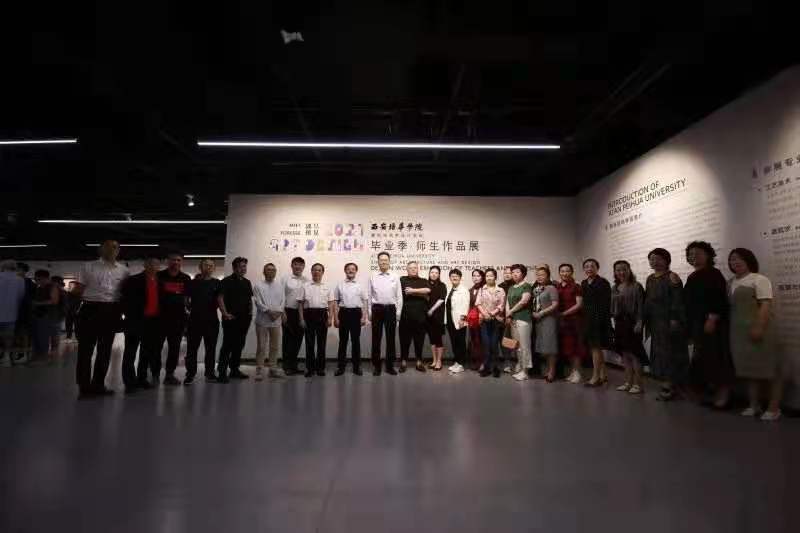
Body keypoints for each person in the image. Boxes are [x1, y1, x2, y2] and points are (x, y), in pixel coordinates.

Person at [728, 248, 783, 421]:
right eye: (732, 259)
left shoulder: (759, 279)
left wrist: (759, 327)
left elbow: (765, 305)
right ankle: (754, 405)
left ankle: (774, 408)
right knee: (749, 369)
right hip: (739, 332)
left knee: (770, 369)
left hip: (761, 330)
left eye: (739, 258)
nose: (735, 262)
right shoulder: (730, 282)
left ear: (749, 260)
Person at [75, 240, 130, 397]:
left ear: (118, 251)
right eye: (108, 246)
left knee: (105, 350)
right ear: (101, 249)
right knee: (85, 350)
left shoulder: (124, 271)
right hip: (90, 309)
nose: (112, 249)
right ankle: (84, 387)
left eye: (115, 247)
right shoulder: (88, 266)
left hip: (112, 310)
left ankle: (99, 385)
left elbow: (125, 293)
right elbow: (79, 290)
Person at [684, 241, 734, 409]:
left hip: (713, 324)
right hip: (698, 324)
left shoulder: (713, 273)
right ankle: (709, 394)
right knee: (703, 360)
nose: (694, 256)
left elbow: (718, 298)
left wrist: (712, 318)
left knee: (717, 359)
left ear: (708, 255)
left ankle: (723, 395)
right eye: (691, 254)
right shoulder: (693, 276)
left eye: (698, 253)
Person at [643, 248, 689, 401]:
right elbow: (648, 300)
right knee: (659, 353)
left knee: (671, 353)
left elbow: (678, 300)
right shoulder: (650, 278)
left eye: (658, 258)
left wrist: (674, 319)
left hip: (669, 321)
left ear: (666, 260)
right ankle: (666, 383)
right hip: (655, 322)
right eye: (651, 259)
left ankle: (672, 385)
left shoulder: (672, 277)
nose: (654, 261)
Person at [120, 255, 163, 392]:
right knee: (130, 352)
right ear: (145, 265)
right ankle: (129, 382)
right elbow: (124, 300)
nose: (153, 266)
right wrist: (128, 316)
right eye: (150, 264)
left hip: (153, 322)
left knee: (146, 352)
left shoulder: (160, 282)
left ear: (159, 267)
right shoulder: (133, 280)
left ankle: (142, 378)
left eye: (156, 264)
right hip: (135, 321)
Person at [610, 260, 648, 395]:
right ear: (615, 272)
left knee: (635, 354)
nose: (621, 272)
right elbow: (612, 308)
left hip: (633, 323)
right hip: (620, 323)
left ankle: (638, 384)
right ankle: (628, 382)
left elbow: (641, 307)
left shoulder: (637, 286)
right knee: (624, 354)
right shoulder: (615, 287)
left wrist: (640, 322)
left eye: (624, 269)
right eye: (618, 270)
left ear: (629, 270)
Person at [154, 252, 192, 385]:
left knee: (174, 348)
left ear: (181, 262)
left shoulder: (185, 278)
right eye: (173, 260)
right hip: (159, 318)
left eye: (178, 260)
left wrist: (187, 315)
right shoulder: (159, 276)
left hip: (178, 319)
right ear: (167, 261)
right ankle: (155, 373)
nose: (175, 262)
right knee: (156, 347)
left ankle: (169, 374)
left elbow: (188, 298)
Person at [217, 257, 254, 382]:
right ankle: (222, 372)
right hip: (230, 318)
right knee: (227, 345)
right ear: (234, 268)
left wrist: (250, 312)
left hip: (244, 319)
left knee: (239, 345)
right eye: (240, 266)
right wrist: (225, 313)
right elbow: (220, 298)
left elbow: (249, 299)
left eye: (244, 266)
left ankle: (234, 370)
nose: (243, 269)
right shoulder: (226, 281)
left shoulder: (247, 282)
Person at [185, 259, 221, 384]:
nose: (208, 267)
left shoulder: (217, 283)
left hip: (212, 321)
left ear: (214, 268)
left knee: (211, 349)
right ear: (200, 267)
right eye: (206, 265)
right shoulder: (192, 283)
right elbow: (186, 299)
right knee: (192, 349)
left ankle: (210, 373)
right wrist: (192, 308)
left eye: (211, 265)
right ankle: (190, 374)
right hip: (195, 320)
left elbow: (220, 300)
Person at [368, 252, 403, 376]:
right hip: (377, 309)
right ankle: (376, 366)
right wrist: (369, 312)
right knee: (376, 338)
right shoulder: (373, 276)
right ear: (378, 262)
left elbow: (399, 295)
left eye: (385, 260)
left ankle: (389, 366)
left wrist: (398, 312)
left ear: (389, 261)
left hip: (390, 309)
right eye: (381, 260)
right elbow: (369, 295)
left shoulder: (395, 276)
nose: (383, 262)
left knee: (391, 339)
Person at [298, 263, 334, 377]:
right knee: (309, 343)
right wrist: (301, 319)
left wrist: (330, 318)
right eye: (314, 270)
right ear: (311, 272)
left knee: (321, 343)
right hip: (308, 314)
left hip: (322, 314)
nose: (316, 272)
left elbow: (331, 303)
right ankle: (310, 369)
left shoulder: (327, 286)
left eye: (319, 270)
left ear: (322, 272)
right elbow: (300, 304)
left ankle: (320, 368)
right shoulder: (305, 286)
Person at [581, 259, 612, 387]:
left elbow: (606, 303)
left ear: (597, 268)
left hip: (599, 319)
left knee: (596, 348)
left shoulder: (603, 282)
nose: (589, 269)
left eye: (592, 266)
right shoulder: (584, 283)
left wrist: (601, 319)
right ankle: (603, 374)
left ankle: (595, 377)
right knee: (595, 348)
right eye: (586, 266)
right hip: (588, 318)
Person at [253, 263, 285, 380]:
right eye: (268, 270)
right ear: (264, 271)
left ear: (275, 272)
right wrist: (269, 312)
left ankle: (273, 369)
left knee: (274, 346)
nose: (271, 272)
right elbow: (257, 302)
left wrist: (278, 312)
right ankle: (259, 370)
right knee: (261, 346)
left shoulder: (280, 286)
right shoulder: (258, 285)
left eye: (273, 270)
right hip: (262, 321)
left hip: (276, 321)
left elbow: (283, 301)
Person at [333, 262, 367, 376]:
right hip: (343, 313)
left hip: (356, 314)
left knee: (355, 341)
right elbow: (336, 302)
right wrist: (336, 318)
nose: (351, 271)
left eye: (353, 269)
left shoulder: (360, 285)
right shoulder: (340, 285)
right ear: (345, 271)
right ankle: (340, 367)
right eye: (348, 269)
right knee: (343, 341)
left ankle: (356, 367)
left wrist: (364, 316)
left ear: (356, 271)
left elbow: (365, 301)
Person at [556, 264, 585, 383]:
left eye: (567, 271)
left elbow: (579, 304)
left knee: (576, 347)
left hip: (574, 320)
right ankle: (573, 371)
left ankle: (577, 372)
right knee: (567, 347)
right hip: (562, 321)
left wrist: (564, 313)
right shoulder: (557, 286)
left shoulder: (576, 286)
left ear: (572, 272)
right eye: (562, 271)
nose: (565, 273)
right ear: (559, 273)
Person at [399, 261, 431, 372]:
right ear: (407, 269)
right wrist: (420, 293)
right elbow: (404, 291)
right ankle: (403, 362)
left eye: (415, 268)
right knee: (404, 341)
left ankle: (419, 362)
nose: (413, 269)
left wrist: (413, 291)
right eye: (411, 268)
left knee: (419, 341)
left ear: (418, 269)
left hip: (420, 317)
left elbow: (427, 290)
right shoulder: (402, 279)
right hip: (405, 316)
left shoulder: (423, 280)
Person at [505, 264, 533, 381]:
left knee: (524, 346)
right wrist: (508, 314)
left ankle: (525, 371)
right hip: (513, 319)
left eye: (517, 272)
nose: (514, 274)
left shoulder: (527, 286)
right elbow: (507, 302)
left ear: (523, 273)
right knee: (517, 346)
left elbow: (524, 301)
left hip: (523, 319)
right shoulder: (511, 287)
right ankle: (521, 368)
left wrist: (511, 311)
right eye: (513, 272)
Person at [476, 268, 505, 377]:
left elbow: (501, 305)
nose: (489, 278)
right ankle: (487, 367)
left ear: (495, 277)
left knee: (494, 344)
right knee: (486, 344)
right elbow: (478, 304)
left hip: (496, 320)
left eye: (491, 276)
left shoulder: (500, 290)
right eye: (487, 276)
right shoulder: (481, 290)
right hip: (484, 321)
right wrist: (485, 314)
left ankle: (496, 368)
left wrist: (492, 314)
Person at [533, 265, 560, 382]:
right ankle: (547, 370)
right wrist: (534, 312)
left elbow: (555, 304)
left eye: (542, 275)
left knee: (550, 347)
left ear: (548, 276)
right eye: (538, 275)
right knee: (543, 347)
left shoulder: (551, 288)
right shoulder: (536, 289)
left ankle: (552, 372)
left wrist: (542, 312)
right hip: (538, 321)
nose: (540, 277)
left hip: (549, 319)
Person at [29, 270, 62, 365]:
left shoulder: (52, 287)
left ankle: (43, 358)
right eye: (36, 279)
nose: (37, 281)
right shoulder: (40, 288)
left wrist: (38, 303)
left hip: (48, 317)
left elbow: (54, 301)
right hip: (40, 316)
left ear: (45, 278)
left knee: (43, 338)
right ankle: (38, 356)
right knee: (38, 338)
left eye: (38, 279)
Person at [282, 257, 307, 375]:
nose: (298, 267)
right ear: (291, 266)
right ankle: (286, 366)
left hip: (302, 313)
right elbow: (280, 297)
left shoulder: (306, 280)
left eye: (300, 265)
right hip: (288, 311)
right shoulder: (285, 279)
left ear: (303, 267)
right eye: (296, 264)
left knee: (298, 339)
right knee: (287, 340)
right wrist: (283, 313)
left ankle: (294, 365)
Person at [0, 260, 25, 365]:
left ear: (2, 267)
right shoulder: (20, 279)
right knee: (9, 336)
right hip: (11, 313)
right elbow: (21, 296)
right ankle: (7, 357)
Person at [445, 269, 470, 374]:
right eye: (452, 276)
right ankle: (457, 361)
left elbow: (466, 305)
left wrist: (462, 318)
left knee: (460, 342)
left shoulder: (464, 290)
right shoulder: (450, 289)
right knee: (454, 342)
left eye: (456, 276)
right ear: (450, 278)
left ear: (460, 278)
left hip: (459, 320)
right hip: (450, 320)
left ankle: (461, 364)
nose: (454, 277)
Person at [426, 266, 447, 371]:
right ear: (429, 273)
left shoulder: (442, 285)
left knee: (438, 339)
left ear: (439, 274)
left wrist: (432, 310)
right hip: (428, 316)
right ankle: (434, 360)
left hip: (437, 315)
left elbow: (441, 299)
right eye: (432, 272)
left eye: (436, 273)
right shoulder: (426, 284)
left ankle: (439, 361)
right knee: (432, 339)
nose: (434, 274)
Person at [14, 262, 35, 363]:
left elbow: (30, 299)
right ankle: (18, 353)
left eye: (18, 269)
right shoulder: (14, 281)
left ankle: (24, 354)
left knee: (23, 333)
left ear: (24, 271)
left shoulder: (29, 283)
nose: (16, 272)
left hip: (24, 312)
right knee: (16, 334)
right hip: (14, 312)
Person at [497, 266, 516, 373]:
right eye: (505, 273)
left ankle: (517, 362)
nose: (507, 275)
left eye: (509, 273)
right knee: (504, 341)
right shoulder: (499, 286)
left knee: (513, 341)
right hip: (500, 318)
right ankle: (507, 362)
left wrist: (510, 316)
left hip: (513, 317)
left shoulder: (516, 286)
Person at [467, 269, 486, 370]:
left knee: (482, 341)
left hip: (482, 318)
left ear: (482, 277)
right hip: (472, 319)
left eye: (478, 276)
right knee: (474, 340)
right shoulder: (470, 290)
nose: (475, 278)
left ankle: (483, 362)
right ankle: (477, 362)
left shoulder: (485, 289)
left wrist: (482, 315)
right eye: (474, 276)